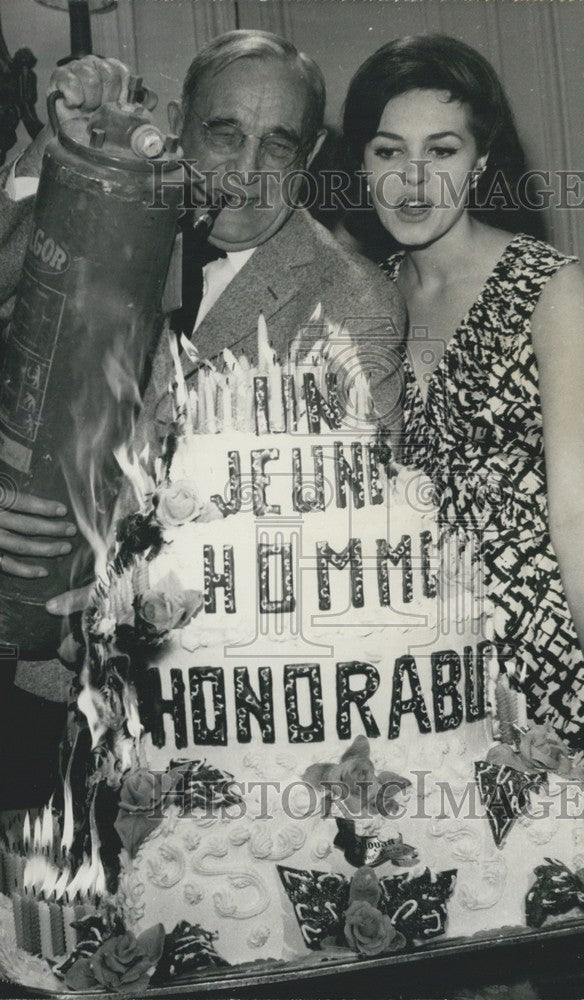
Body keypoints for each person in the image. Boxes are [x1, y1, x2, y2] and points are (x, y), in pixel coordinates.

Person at [0, 31, 405, 784]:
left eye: (277, 145)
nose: (246, 172)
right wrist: (50, 159)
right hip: (24, 689)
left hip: (192, 715)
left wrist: (136, 598)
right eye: (223, 133)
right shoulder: (99, 206)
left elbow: (348, 543)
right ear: (181, 122)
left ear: (310, 154)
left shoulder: (356, 304)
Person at [342, 34, 584, 811]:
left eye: (441, 151)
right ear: (362, 164)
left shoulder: (550, 290)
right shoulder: (358, 302)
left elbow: (577, 509)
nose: (412, 180)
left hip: (545, 653)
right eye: (388, 150)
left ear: (479, 163)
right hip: (413, 660)